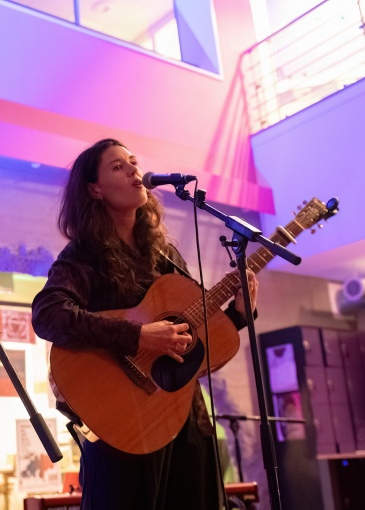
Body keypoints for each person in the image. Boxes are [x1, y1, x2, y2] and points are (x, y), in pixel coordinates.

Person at [31, 138, 258, 510]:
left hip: (185, 419)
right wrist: (137, 336)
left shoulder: (165, 255)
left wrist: (238, 314)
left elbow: (194, 340)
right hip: (125, 425)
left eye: (133, 162)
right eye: (118, 166)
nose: (134, 170)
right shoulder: (84, 255)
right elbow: (48, 314)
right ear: (94, 189)